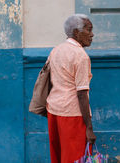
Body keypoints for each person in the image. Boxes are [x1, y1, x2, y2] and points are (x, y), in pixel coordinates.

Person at [46, 14, 96, 163]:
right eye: (89, 30)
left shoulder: (56, 50)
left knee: (58, 156)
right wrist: (89, 128)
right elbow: (81, 94)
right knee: (75, 157)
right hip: (72, 114)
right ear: (76, 32)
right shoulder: (80, 56)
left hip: (54, 110)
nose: (92, 34)